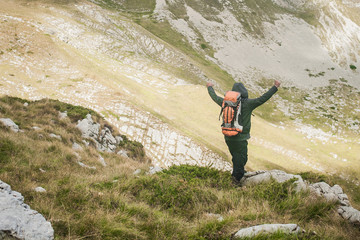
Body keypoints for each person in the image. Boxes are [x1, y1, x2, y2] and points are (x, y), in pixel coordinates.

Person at [206, 80, 280, 184]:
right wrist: (275, 87)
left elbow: (214, 97)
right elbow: (263, 98)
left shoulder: (226, 103)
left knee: (236, 157)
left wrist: (209, 87)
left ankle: (236, 176)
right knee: (242, 158)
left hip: (228, 136)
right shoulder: (248, 103)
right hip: (240, 138)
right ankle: (236, 182)